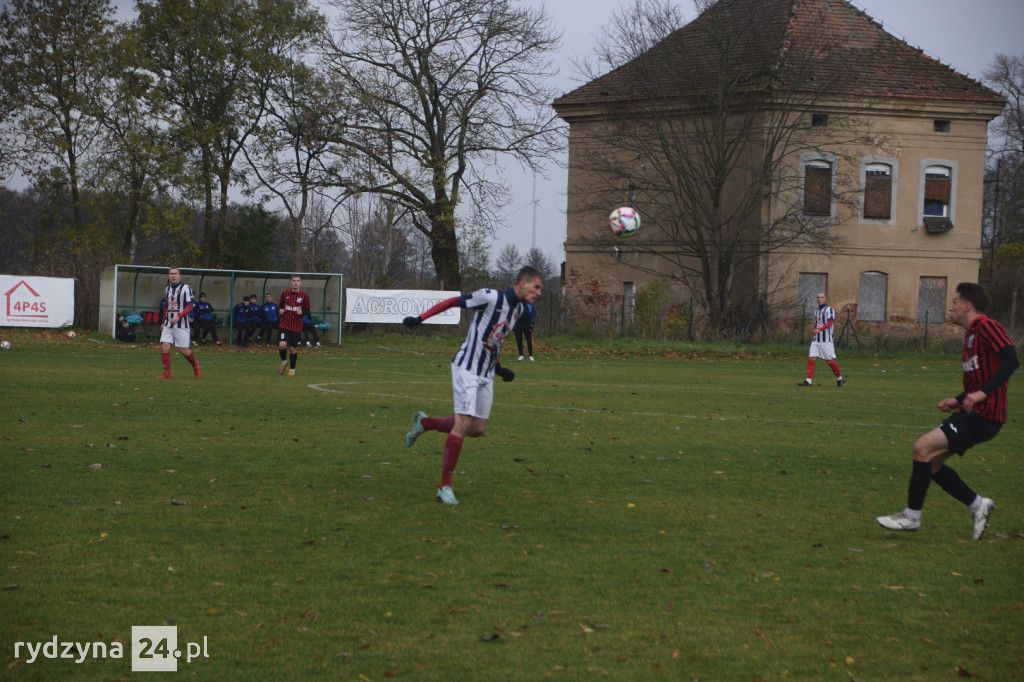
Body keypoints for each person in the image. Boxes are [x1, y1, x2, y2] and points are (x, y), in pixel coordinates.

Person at [876, 282, 1018, 540]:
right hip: (972, 413)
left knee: (922, 448)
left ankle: (911, 516)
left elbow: (1011, 360)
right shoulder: (971, 335)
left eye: (954, 302)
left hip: (984, 415)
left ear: (967, 306)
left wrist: (981, 394)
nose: (950, 307)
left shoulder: (987, 326)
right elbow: (980, 379)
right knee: (931, 464)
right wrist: (958, 398)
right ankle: (978, 505)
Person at [402, 266, 544, 505]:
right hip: (466, 368)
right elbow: (453, 302)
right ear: (522, 282)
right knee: (462, 423)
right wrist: (420, 319)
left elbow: (494, 340)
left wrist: (499, 368)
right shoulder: (490, 297)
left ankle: (425, 423)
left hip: (486, 372)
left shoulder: (519, 310)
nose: (539, 292)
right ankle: (444, 488)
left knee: (477, 428)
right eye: (536, 287)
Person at [159, 267, 201, 379]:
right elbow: (166, 307)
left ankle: (195, 365)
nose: (173, 275)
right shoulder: (167, 289)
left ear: (179, 275)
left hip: (182, 324)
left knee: (184, 350)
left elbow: (190, 306)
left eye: (175, 273)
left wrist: (179, 315)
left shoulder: (186, 288)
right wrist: (163, 322)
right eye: (171, 273)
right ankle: (167, 373)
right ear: (168, 276)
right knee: (165, 346)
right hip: (168, 323)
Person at [798, 292, 844, 387]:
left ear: (825, 299)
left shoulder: (829, 309)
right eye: (818, 297)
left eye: (822, 297)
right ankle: (808, 381)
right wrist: (815, 329)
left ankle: (840, 378)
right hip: (816, 340)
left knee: (829, 361)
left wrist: (820, 329)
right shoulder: (816, 311)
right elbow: (818, 323)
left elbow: (830, 323)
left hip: (826, 341)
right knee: (811, 358)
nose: (819, 299)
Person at [277, 275, 310, 376]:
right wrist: (280, 310)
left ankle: (292, 369)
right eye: (294, 280)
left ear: (300, 282)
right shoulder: (285, 293)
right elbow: (280, 306)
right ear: (291, 282)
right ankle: (284, 361)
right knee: (282, 345)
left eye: (298, 281)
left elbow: (307, 309)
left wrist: (302, 312)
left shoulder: (304, 295)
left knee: (292, 349)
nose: (296, 282)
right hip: (285, 324)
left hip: (296, 326)